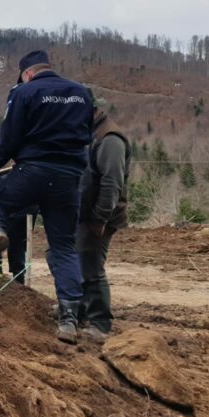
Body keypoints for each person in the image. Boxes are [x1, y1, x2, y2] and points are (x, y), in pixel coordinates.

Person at [0, 50, 93, 344]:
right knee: (63, 247)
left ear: (27, 73)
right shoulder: (81, 93)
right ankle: (68, 320)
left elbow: (8, 139)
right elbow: (87, 133)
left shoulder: (25, 92)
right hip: (69, 178)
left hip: (34, 171)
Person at [76, 90, 130, 342]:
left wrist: (100, 218)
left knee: (92, 267)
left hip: (100, 217)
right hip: (86, 213)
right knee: (77, 262)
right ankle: (79, 309)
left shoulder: (109, 138)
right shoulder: (91, 134)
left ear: (92, 110)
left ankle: (100, 323)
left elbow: (111, 183)